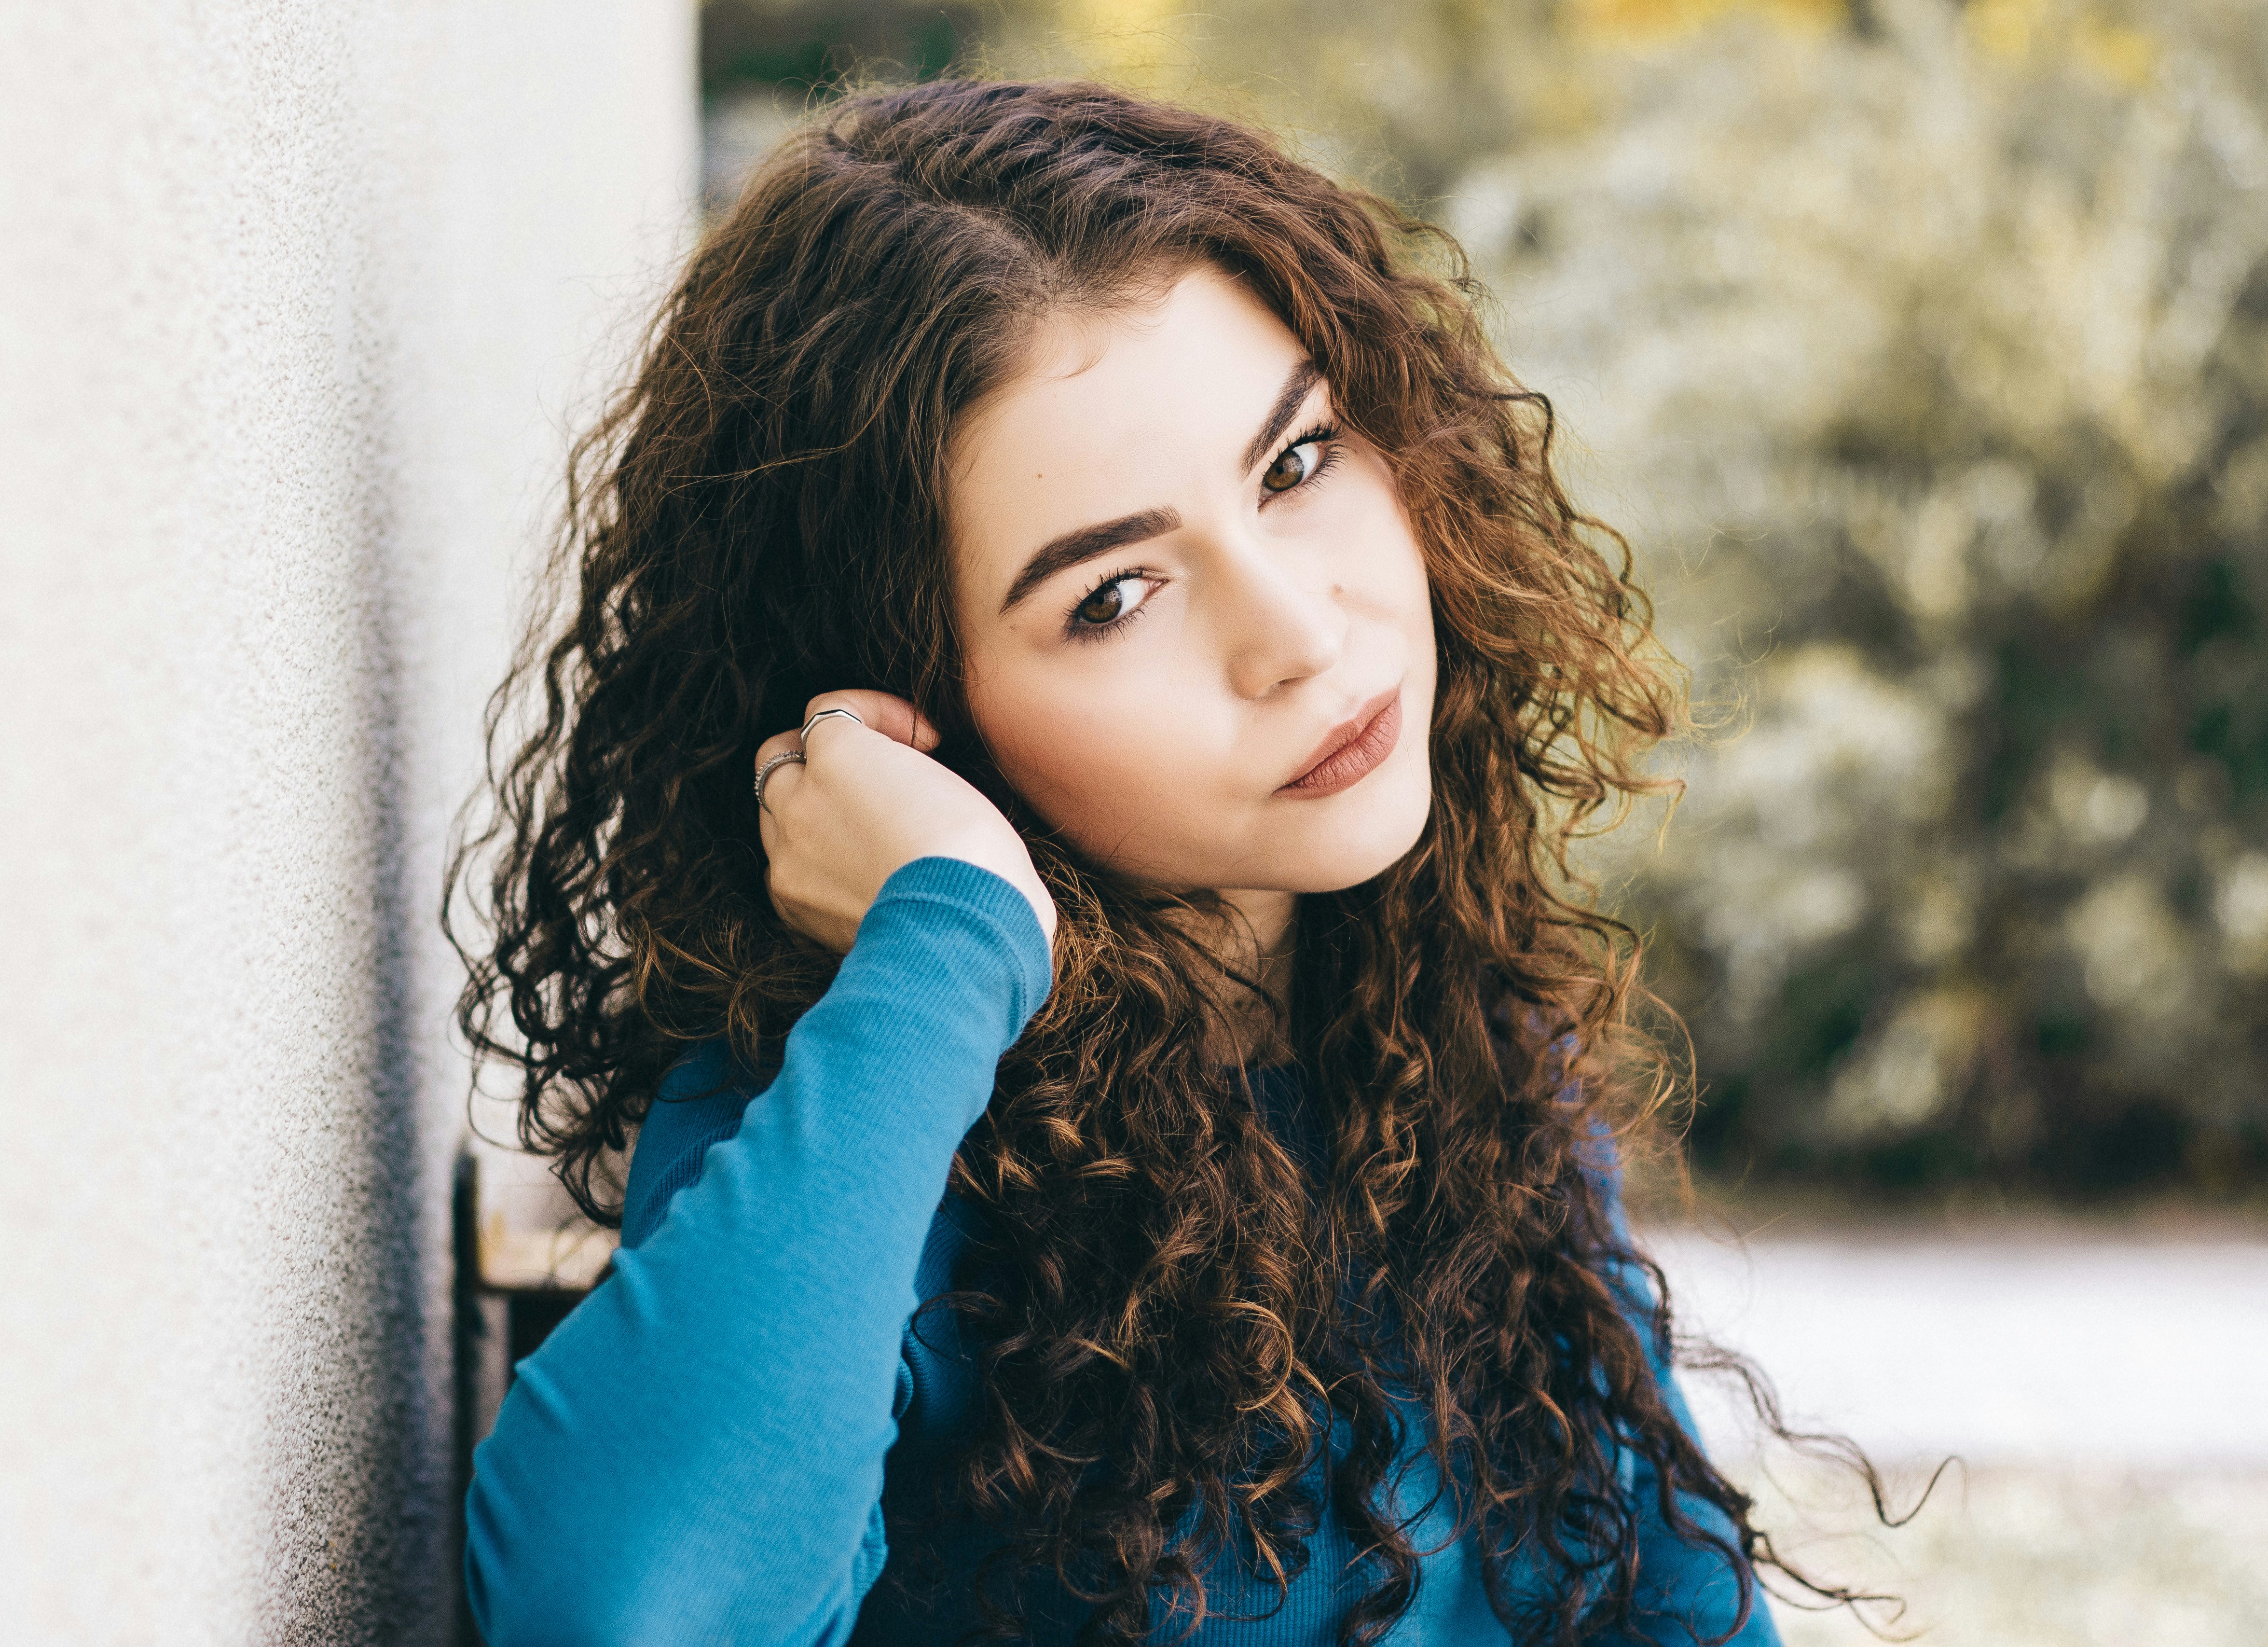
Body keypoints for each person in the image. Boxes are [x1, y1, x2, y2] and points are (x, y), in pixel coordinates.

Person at [453, 78, 1844, 1647]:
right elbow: (620, 1609)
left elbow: (1679, 1608)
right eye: (1114, 595)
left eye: (1300, 462)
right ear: (901, 720)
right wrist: (950, 939)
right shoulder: (861, 1126)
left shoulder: (1433, 1038)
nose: (1303, 632)